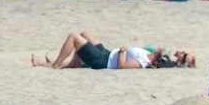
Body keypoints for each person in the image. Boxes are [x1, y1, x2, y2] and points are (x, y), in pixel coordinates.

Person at [32, 32, 194, 70]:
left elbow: (122, 67)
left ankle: (55, 65)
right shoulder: (148, 53)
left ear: (159, 53)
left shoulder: (145, 61)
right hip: (108, 53)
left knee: (74, 37)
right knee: (84, 34)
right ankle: (69, 65)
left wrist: (123, 51)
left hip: (103, 61)